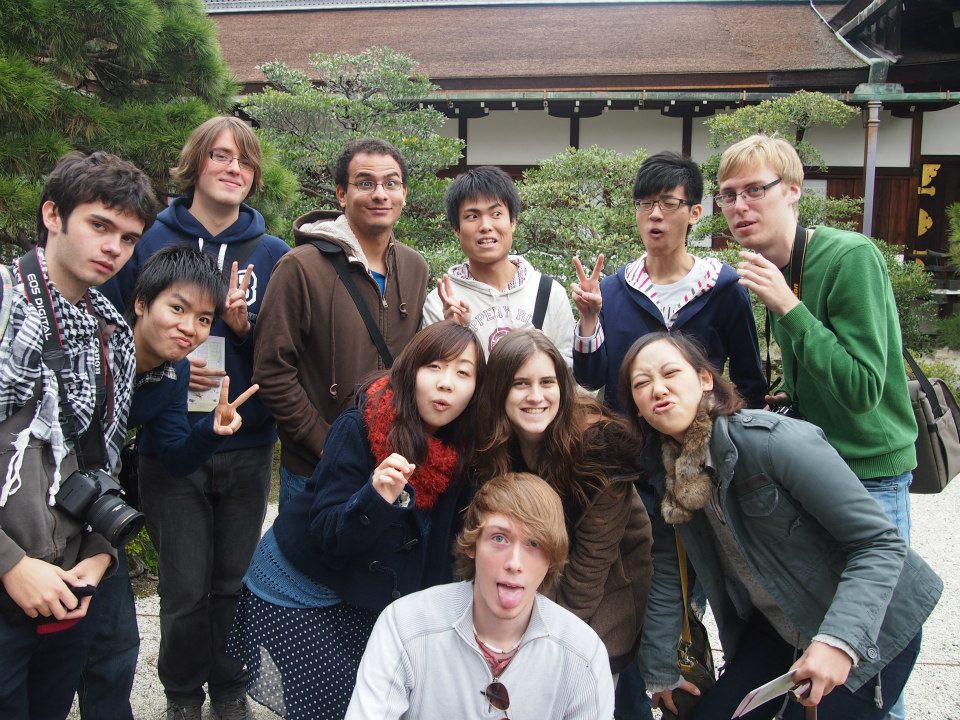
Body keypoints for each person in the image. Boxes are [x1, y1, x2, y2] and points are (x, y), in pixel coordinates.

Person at [619, 332, 942, 720]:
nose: (658, 389)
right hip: (777, 624)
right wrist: (660, 671)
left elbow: (879, 543)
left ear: (705, 379)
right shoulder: (669, 470)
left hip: (871, 625)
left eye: (671, 373)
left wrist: (838, 641)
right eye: (641, 383)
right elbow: (670, 569)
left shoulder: (773, 442)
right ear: (637, 407)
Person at [100, 115, 289, 720]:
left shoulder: (273, 254)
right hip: (169, 442)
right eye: (221, 155)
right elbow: (115, 330)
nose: (234, 168)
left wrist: (242, 326)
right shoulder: (148, 241)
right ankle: (182, 694)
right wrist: (168, 366)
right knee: (183, 589)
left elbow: (284, 351)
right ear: (196, 163)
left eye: (245, 160)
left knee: (233, 582)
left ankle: (230, 688)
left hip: (247, 443)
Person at [228, 321, 484, 720]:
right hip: (303, 588)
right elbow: (329, 534)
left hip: (363, 597)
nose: (446, 384)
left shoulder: (461, 448)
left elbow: (441, 548)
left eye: (463, 373)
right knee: (339, 706)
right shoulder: (361, 425)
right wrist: (374, 498)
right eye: (433, 366)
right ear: (410, 370)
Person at [0, 150, 157, 719]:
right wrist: (11, 564)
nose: (114, 247)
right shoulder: (6, 304)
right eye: (99, 225)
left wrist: (97, 554)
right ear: (52, 215)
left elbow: (98, 459)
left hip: (68, 580)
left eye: (129, 237)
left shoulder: (108, 332)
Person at [79, 247, 260, 719]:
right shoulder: (95, 352)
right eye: (177, 309)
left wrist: (213, 430)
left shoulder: (174, 372)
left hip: (93, 503)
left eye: (203, 319)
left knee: (116, 644)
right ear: (141, 303)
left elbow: (176, 456)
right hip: (49, 498)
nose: (189, 328)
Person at [721, 135, 917, 542]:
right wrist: (795, 397)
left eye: (755, 189)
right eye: (728, 195)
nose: (739, 206)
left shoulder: (850, 256)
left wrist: (789, 308)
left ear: (793, 191)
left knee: (878, 586)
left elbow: (863, 389)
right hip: (814, 467)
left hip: (870, 473)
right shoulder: (776, 267)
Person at [346, 472, 615, 719]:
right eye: (499, 538)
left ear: (551, 557)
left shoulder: (583, 655)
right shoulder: (405, 626)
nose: (514, 563)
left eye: (534, 543)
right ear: (472, 545)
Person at [254, 138, 429, 507]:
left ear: (404, 193)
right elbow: (272, 370)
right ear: (341, 194)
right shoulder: (300, 267)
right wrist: (327, 445)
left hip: (390, 466)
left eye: (391, 183)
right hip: (314, 469)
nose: (380, 194)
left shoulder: (414, 268)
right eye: (365, 183)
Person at [475, 329, 653, 675]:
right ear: (498, 391)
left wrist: (537, 646)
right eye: (520, 384)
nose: (536, 396)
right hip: (526, 598)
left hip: (601, 606)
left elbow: (590, 569)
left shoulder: (598, 451)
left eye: (547, 382)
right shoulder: (494, 446)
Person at [572, 151, 765, 411]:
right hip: (627, 435)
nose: (654, 214)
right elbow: (589, 379)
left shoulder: (723, 288)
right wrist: (589, 319)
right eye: (645, 203)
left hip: (701, 434)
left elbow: (750, 385)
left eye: (668, 203)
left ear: (695, 213)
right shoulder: (612, 291)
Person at [422, 165, 575, 363]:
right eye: (472, 216)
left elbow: (568, 367)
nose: (486, 226)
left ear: (513, 222)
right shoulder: (441, 302)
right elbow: (434, 372)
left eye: (496, 214)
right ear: (456, 230)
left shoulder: (549, 293)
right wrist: (453, 332)